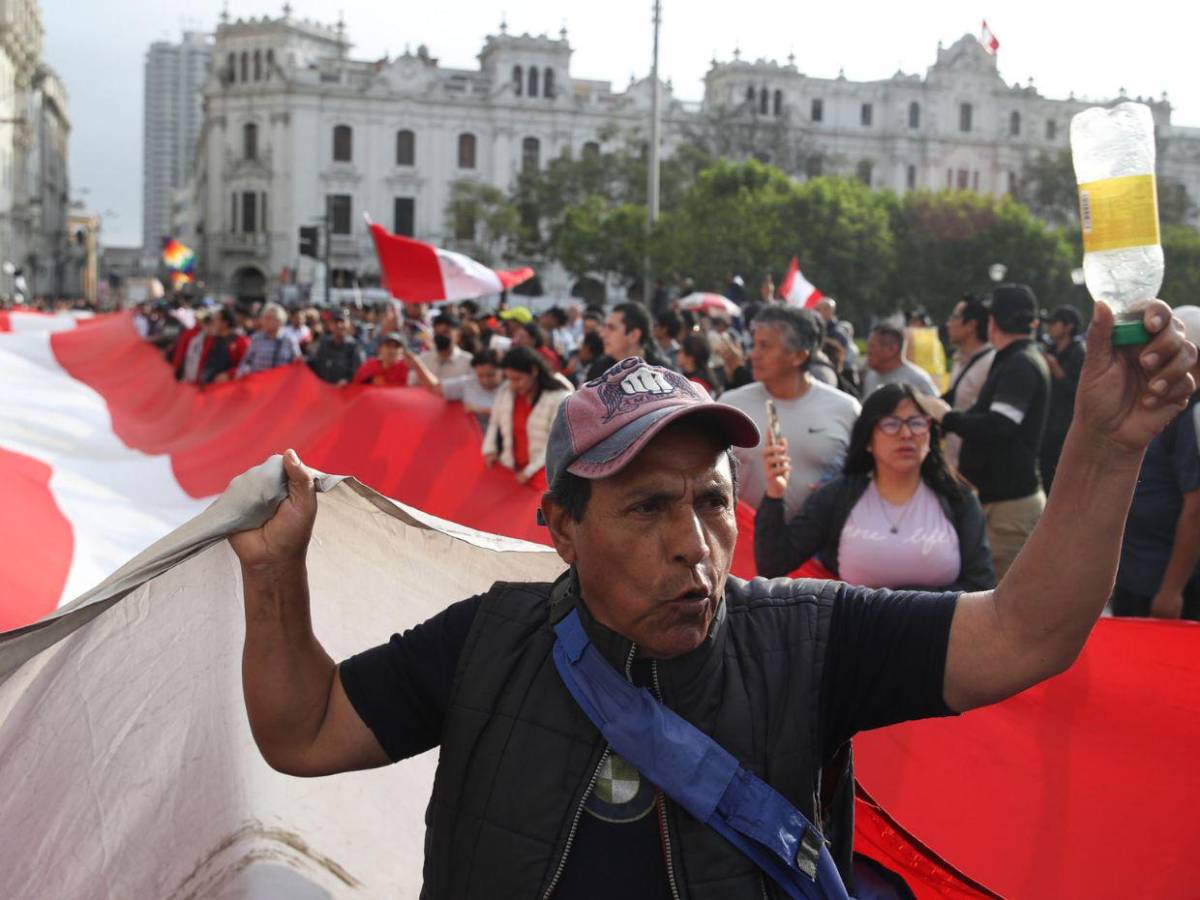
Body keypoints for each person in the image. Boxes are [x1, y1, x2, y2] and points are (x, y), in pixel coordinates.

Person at [231, 300, 1194, 896]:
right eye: (647, 509)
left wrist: (1108, 447)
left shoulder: (807, 638)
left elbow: (1026, 633)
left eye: (713, 503)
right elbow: (303, 732)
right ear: (560, 529)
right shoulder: (486, 644)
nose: (694, 549)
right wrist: (275, 576)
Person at [756, 384, 995, 591]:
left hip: (940, 638)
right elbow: (774, 563)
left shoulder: (958, 499)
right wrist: (775, 494)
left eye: (916, 423)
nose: (906, 434)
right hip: (858, 640)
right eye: (891, 424)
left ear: (930, 435)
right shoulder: (838, 496)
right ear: (868, 440)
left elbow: (980, 584)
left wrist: (910, 605)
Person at [922, 284, 1051, 580]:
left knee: (1000, 603)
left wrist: (948, 418)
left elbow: (1000, 426)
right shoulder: (1013, 358)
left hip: (1009, 507)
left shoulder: (1020, 363)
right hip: (999, 501)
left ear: (992, 322)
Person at [720, 306, 861, 519]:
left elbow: (860, 479)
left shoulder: (846, 410)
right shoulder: (730, 406)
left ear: (798, 356)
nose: (753, 355)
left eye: (765, 346)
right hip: (742, 545)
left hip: (819, 547)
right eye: (755, 344)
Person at [1114, 305, 1200, 620]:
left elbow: (1196, 510)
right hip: (1137, 575)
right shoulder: (1167, 407)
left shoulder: (1193, 416)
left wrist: (1171, 589)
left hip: (1163, 583)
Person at [482, 346, 573, 484]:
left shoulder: (559, 398)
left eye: (518, 379)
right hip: (512, 470)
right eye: (509, 379)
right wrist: (490, 449)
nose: (513, 385)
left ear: (534, 371)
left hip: (543, 476)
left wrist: (529, 472)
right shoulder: (506, 392)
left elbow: (557, 444)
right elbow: (494, 423)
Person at [943, 295, 995, 471]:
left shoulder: (991, 363)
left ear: (972, 325)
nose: (948, 323)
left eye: (954, 317)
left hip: (977, 468)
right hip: (953, 463)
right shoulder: (958, 359)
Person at [1039, 305, 1087, 491]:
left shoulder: (1079, 352)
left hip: (1065, 426)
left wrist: (1057, 372)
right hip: (1047, 423)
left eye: (1054, 323)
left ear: (1068, 327)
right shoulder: (1049, 348)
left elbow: (1080, 392)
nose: (1050, 327)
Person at [409, 347, 504, 429]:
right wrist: (417, 365)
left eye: (491, 375)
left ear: (502, 371)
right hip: (475, 443)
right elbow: (434, 387)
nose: (485, 380)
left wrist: (478, 410)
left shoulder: (510, 387)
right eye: (480, 375)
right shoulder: (467, 383)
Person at [589, 301, 672, 379]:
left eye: (612, 328)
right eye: (605, 327)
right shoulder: (599, 371)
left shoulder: (663, 374)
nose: (602, 334)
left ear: (634, 335)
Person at [862, 324, 939, 396]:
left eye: (872, 346)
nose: (868, 351)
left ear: (891, 349)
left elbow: (938, 408)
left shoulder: (917, 379)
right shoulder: (871, 377)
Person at [237, 303, 301, 378]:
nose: (265, 321)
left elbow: (298, 364)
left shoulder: (290, 340)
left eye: (269, 318)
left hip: (281, 384)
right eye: (264, 317)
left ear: (280, 321)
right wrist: (245, 373)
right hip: (259, 383)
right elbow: (246, 362)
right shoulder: (256, 339)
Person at [309, 311, 366, 386]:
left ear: (348, 325)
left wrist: (347, 380)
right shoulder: (324, 344)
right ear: (330, 325)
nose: (339, 325)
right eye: (336, 322)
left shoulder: (355, 347)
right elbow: (315, 364)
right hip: (324, 391)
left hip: (345, 393)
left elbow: (360, 373)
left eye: (342, 322)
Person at [201, 308, 250, 385]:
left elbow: (247, 365)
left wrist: (229, 374)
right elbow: (203, 361)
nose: (212, 323)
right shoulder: (211, 340)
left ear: (225, 323)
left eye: (215, 320)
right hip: (207, 386)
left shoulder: (241, 341)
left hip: (229, 388)